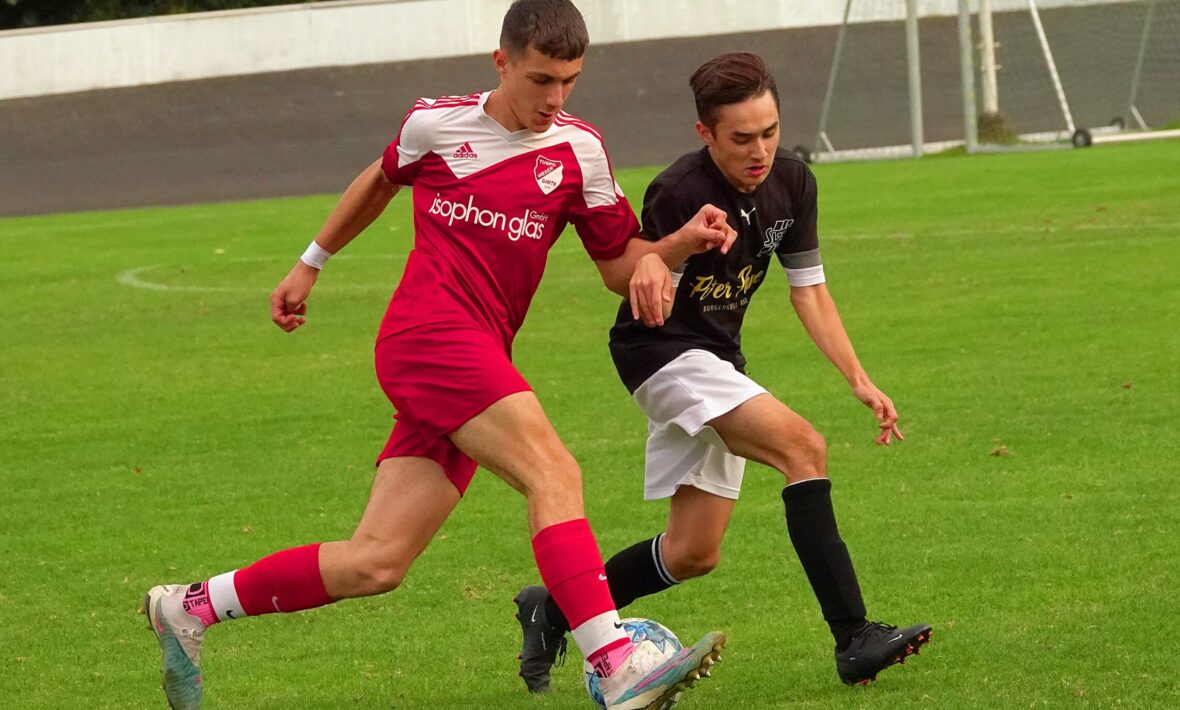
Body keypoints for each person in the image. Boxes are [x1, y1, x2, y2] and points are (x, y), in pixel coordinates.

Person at [140, 3, 735, 709]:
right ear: (502, 62)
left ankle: (189, 607)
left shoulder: (581, 152)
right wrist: (310, 262)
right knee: (553, 472)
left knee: (377, 561)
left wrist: (672, 248)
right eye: (541, 79)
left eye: (569, 81)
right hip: (427, 336)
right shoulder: (436, 125)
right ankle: (614, 665)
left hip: (479, 353)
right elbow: (381, 178)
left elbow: (617, 265)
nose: (555, 98)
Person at [513, 52, 932, 694]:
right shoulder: (679, 190)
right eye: (741, 138)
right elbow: (643, 277)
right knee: (803, 448)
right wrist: (666, 262)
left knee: (693, 552)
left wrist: (858, 377)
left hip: (716, 362)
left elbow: (809, 289)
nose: (759, 151)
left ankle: (555, 607)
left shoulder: (794, 182)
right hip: (661, 355)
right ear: (705, 133)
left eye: (770, 132)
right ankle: (854, 636)